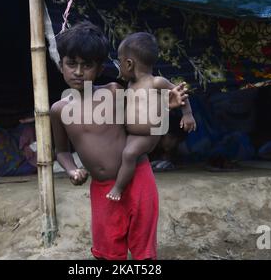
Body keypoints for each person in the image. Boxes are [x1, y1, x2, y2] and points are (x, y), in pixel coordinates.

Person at [50, 21, 186, 260]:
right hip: (102, 188)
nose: (79, 72)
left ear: (100, 68)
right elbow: (61, 151)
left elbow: (143, 121)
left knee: (144, 250)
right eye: (71, 64)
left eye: (87, 65)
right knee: (107, 251)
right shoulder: (59, 110)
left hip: (137, 178)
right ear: (60, 64)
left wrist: (164, 107)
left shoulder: (114, 92)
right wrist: (72, 170)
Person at [106, 33, 196, 201]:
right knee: (119, 152)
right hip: (132, 134)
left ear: (129, 63)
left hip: (149, 135)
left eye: (119, 62)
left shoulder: (157, 82)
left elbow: (180, 94)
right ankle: (127, 180)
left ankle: (118, 188)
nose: (118, 67)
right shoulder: (131, 84)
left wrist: (188, 115)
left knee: (129, 154)